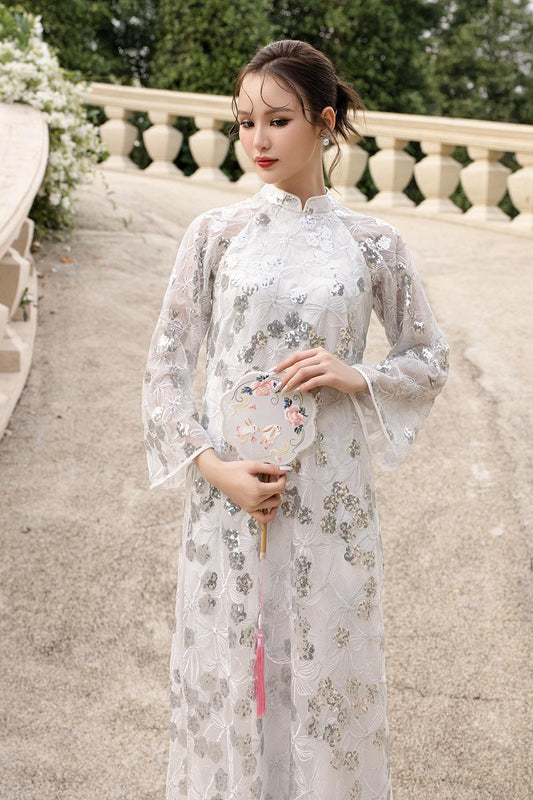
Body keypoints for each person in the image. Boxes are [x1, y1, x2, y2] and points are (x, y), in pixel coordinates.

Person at [143, 39, 448, 800]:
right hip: (228, 499)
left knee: (323, 673)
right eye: (245, 121)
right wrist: (215, 470)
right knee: (231, 672)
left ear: (325, 122)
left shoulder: (373, 245)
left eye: (277, 120)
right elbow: (166, 370)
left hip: (331, 499)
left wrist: (357, 374)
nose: (258, 139)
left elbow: (428, 356)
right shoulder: (216, 235)